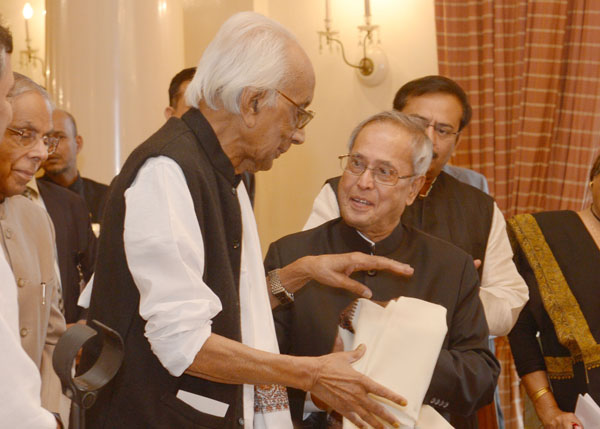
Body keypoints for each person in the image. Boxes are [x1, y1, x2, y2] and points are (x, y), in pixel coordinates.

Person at [85, 12, 413, 429]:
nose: (299, 135)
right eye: (299, 113)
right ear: (253, 102)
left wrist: (300, 273)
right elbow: (184, 343)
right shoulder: (167, 172)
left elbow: (228, 305)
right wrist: (311, 373)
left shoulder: (227, 172)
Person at [267, 111, 499, 427]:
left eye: (385, 172)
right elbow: (259, 363)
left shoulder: (451, 265)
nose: (362, 182)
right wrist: (317, 392)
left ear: (414, 188)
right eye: (356, 164)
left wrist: (397, 347)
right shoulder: (291, 254)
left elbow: (479, 378)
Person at [305, 75, 528, 338]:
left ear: (457, 141)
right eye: (417, 124)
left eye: (443, 130)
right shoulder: (345, 192)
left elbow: (509, 303)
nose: (429, 138)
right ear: (393, 121)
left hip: (448, 366)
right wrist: (439, 297)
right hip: (351, 353)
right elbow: (312, 277)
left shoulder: (480, 208)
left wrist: (455, 294)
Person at [507, 154, 600, 428]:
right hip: (570, 411)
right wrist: (546, 407)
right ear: (592, 178)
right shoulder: (542, 233)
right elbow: (520, 330)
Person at [0, 23, 61, 429]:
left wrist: (52, 412)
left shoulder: (34, 215)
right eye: (23, 134)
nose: (39, 152)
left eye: (46, 138)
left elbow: (49, 324)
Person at [165, 66, 256, 204]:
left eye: (208, 111)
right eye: (192, 111)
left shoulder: (239, 172)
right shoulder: (165, 167)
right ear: (170, 115)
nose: (202, 120)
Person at [28, 176, 97, 324]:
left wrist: (83, 323)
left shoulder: (70, 202)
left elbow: (98, 272)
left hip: (70, 337)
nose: (39, 154)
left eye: (46, 150)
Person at [41, 109, 109, 225]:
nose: (51, 148)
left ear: (78, 144)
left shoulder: (105, 198)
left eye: (59, 137)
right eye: (45, 139)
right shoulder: (29, 197)